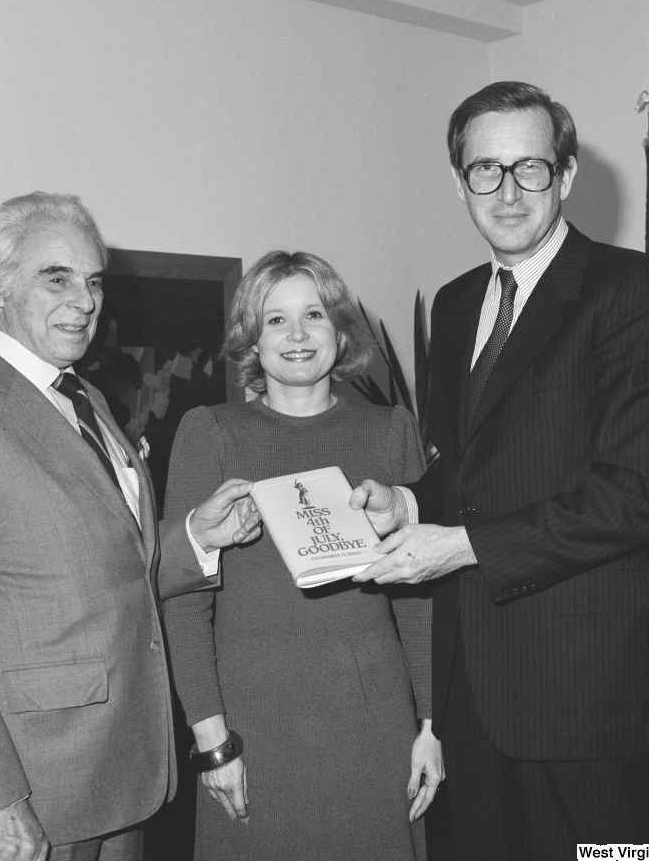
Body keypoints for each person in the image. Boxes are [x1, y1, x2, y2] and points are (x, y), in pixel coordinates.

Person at [351, 82, 649, 859]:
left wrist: (462, 543)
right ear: (459, 180)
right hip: (471, 688)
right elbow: (462, 473)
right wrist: (407, 499)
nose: (507, 192)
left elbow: (635, 495)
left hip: (586, 693)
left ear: (566, 175)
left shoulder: (631, 290)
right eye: (485, 170)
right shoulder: (456, 301)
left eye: (530, 168)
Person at [0, 192, 259, 861]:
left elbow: (114, 567)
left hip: (120, 776)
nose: (84, 300)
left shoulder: (87, 400)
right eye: (57, 277)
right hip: (26, 796)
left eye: (93, 281)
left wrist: (197, 535)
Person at [160, 251, 443, 861]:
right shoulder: (211, 432)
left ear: (338, 333)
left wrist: (429, 725)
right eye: (275, 320)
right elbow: (184, 606)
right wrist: (213, 742)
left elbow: (419, 598)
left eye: (313, 314)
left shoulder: (390, 431)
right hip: (255, 732)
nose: (296, 335)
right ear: (250, 341)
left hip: (376, 726)